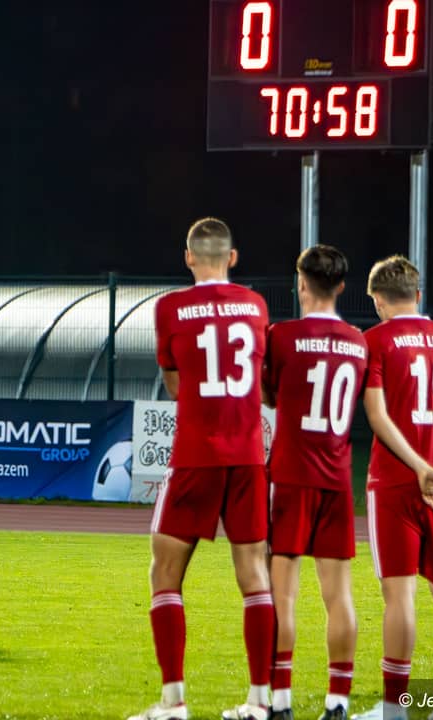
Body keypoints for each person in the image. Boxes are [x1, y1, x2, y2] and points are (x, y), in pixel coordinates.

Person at [129, 218, 272, 720]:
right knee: (255, 576)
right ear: (232, 257)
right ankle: (259, 700)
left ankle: (174, 702)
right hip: (248, 455)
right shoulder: (255, 305)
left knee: (165, 574)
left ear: (188, 257)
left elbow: (174, 385)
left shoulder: (169, 308)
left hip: (196, 454)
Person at [358, 256, 433, 720]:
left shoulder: (375, 340)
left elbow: (377, 415)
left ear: (378, 300)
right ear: (418, 295)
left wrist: (419, 466)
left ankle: (394, 708)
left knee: (399, 596)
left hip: (396, 480)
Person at [263, 246, 367, 720]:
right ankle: (338, 700)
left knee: (282, 595)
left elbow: (269, 393)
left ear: (300, 283)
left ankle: (281, 701)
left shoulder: (281, 336)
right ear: (341, 286)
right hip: (336, 480)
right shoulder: (359, 342)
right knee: (338, 595)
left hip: (290, 477)